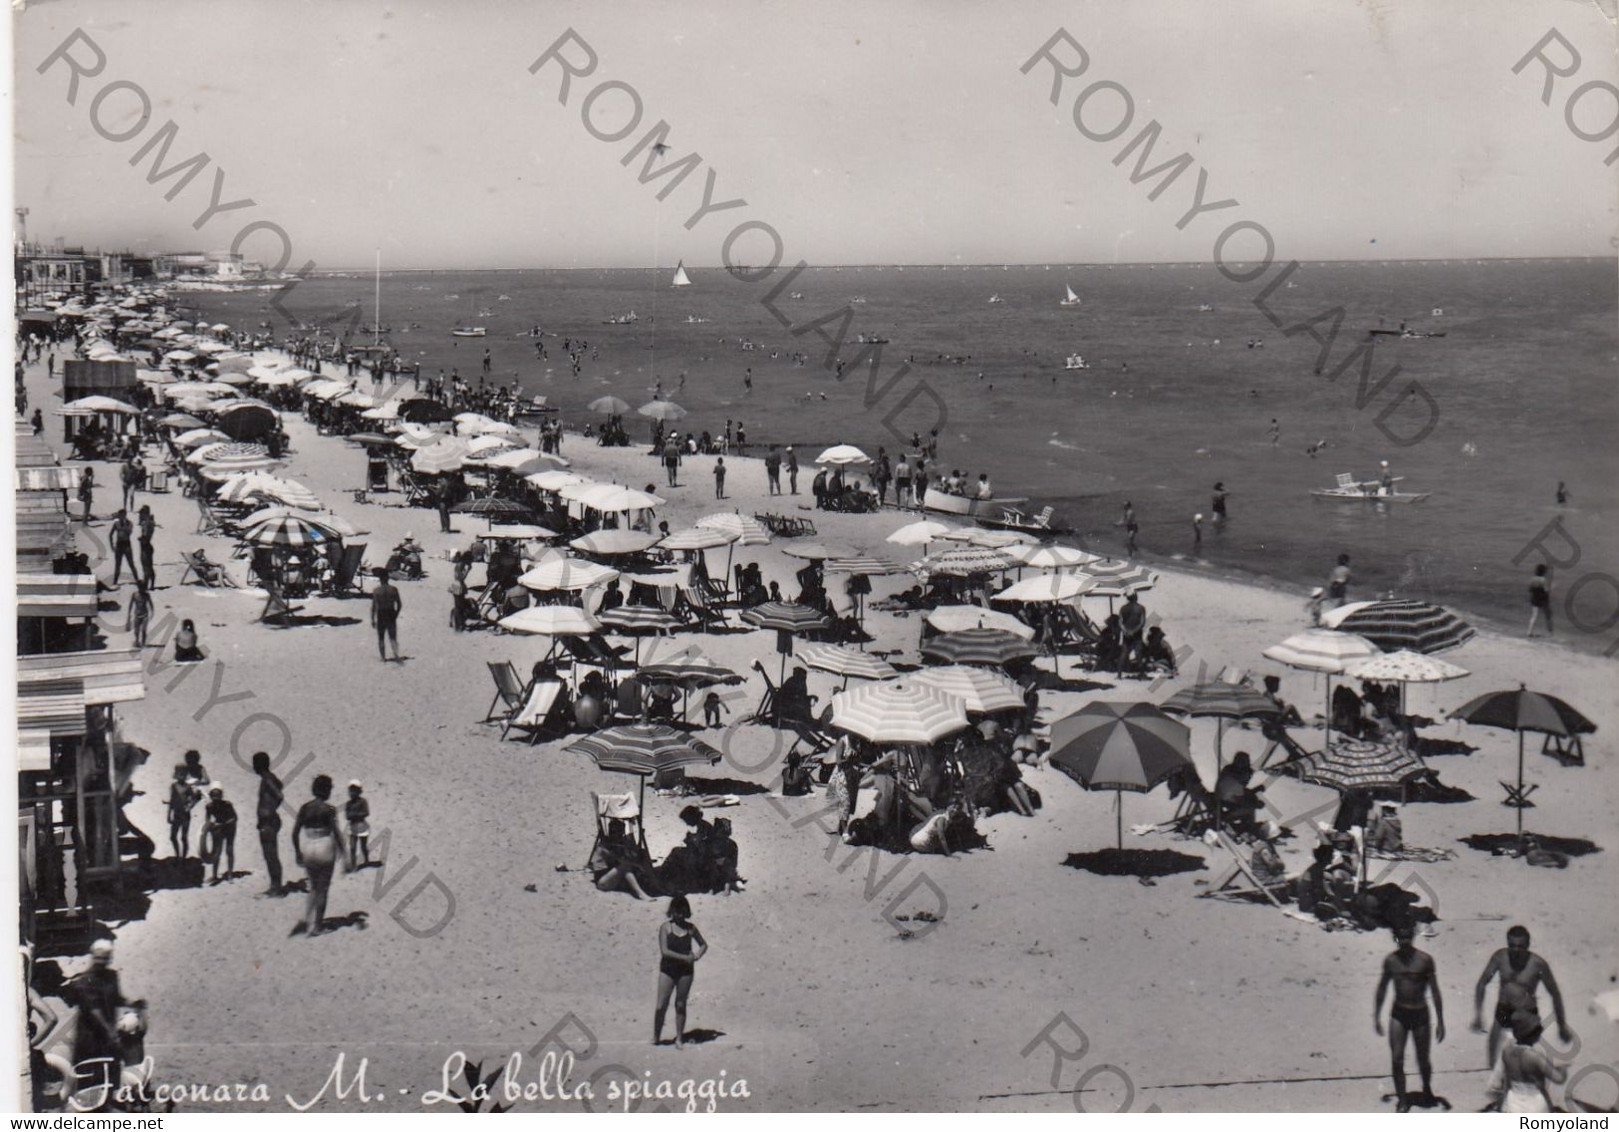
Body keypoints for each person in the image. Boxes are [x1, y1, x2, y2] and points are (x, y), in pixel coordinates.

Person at [1471, 925, 1573, 1069]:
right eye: (1512, 945)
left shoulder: (1538, 964)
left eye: (1521, 946)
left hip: (1527, 1013)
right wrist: (1478, 1014)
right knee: (1493, 1051)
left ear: (1528, 945)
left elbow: (1555, 993)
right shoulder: (1500, 957)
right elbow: (1482, 983)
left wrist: (1561, 1026)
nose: (1516, 950)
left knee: (1522, 1060)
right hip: (1504, 1009)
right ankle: (1493, 1076)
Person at [1374, 922, 1446, 1112]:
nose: (1404, 941)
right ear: (1395, 937)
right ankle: (1403, 1099)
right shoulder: (1390, 961)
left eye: (1407, 937)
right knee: (1397, 1058)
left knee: (1423, 1058)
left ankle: (1427, 1087)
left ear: (1413, 936)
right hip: (1399, 1013)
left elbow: (1435, 990)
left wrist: (1440, 1021)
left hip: (1420, 1013)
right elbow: (1382, 988)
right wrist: (1376, 1015)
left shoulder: (1425, 960)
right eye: (1400, 937)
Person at [291, 774, 350, 937]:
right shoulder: (329, 809)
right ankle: (317, 926)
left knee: (313, 888)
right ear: (326, 790)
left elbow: (295, 833)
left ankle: (307, 922)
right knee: (323, 889)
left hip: (309, 847)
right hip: (325, 847)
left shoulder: (305, 808)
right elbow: (337, 833)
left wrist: (297, 852)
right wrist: (345, 855)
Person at [70, 940, 125, 1101]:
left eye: (105, 958)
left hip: (107, 1037)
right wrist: (111, 1032)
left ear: (110, 958)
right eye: (98, 958)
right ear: (92, 956)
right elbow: (94, 1010)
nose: (101, 962)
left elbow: (116, 999)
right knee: (89, 1080)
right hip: (90, 1038)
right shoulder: (84, 980)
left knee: (109, 1078)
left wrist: (133, 1004)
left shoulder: (112, 976)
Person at [653, 896, 707, 1048]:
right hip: (668, 969)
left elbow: (703, 945)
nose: (680, 915)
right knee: (661, 1005)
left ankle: (679, 1038)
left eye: (683, 912)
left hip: (685, 971)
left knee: (681, 1004)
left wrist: (697, 956)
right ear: (672, 911)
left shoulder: (691, 928)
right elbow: (665, 951)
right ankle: (656, 1036)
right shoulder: (665, 927)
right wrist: (686, 957)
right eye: (677, 912)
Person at [1484, 1014, 1567, 1113]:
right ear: (1535, 1036)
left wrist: (1501, 1106)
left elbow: (1507, 1083)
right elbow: (1559, 1078)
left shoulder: (1507, 1052)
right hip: (1535, 1103)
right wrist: (1563, 1068)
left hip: (1513, 1101)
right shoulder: (1536, 1057)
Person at [591, 818, 653, 899]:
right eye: (618, 833)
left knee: (631, 864)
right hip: (602, 882)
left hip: (613, 878)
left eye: (621, 833)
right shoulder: (604, 846)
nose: (620, 835)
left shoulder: (617, 843)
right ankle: (640, 894)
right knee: (625, 866)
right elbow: (620, 862)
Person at [252, 751, 285, 894]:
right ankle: (275, 885)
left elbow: (279, 795)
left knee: (270, 854)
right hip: (269, 820)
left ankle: (276, 887)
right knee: (270, 854)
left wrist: (269, 810)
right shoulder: (270, 777)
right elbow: (280, 785)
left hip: (268, 820)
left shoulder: (266, 779)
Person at [202, 785, 237, 884]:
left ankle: (230, 874)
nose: (216, 798)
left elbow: (234, 818)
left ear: (221, 796)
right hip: (218, 829)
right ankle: (214, 875)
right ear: (210, 796)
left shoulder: (227, 805)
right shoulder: (209, 806)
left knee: (229, 850)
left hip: (229, 828)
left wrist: (223, 824)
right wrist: (211, 825)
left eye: (218, 796)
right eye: (214, 796)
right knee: (216, 852)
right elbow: (207, 818)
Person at [166, 763, 198, 859]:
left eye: (183, 774)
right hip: (176, 813)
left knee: (183, 837)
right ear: (176, 774)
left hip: (185, 814)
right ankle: (177, 855)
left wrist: (189, 806)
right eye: (179, 773)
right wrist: (168, 815)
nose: (181, 776)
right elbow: (171, 801)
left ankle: (183, 857)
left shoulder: (188, 787)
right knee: (172, 837)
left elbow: (194, 799)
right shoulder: (173, 786)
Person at [370, 568, 403, 662]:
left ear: (380, 579)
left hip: (381, 614)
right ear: (388, 578)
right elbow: (399, 604)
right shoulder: (393, 589)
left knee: (381, 637)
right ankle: (396, 655)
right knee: (393, 636)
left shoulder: (376, 590)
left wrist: (372, 619)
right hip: (391, 612)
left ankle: (383, 657)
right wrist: (396, 614)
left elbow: (374, 607)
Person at [708, 817, 744, 894]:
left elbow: (734, 862)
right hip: (715, 867)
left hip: (725, 867)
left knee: (726, 866)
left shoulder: (731, 844)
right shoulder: (711, 842)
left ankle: (726, 886)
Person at [345, 781, 371, 870]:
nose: (352, 792)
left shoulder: (363, 801)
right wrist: (357, 815)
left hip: (362, 826)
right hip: (352, 827)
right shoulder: (348, 804)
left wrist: (354, 815)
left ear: (359, 791)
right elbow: (347, 816)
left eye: (354, 790)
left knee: (363, 846)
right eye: (351, 790)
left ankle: (367, 860)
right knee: (352, 847)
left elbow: (366, 813)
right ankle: (353, 865)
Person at [109, 511, 136, 587]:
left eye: (122, 516)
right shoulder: (117, 524)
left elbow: (129, 532)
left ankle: (136, 579)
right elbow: (110, 535)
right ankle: (115, 581)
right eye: (120, 516)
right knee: (118, 564)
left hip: (126, 544)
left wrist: (123, 526)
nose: (120, 517)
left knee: (131, 563)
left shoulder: (129, 523)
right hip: (119, 545)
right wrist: (112, 546)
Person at [124, 581, 153, 649]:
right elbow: (131, 604)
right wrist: (129, 614)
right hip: (137, 614)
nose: (143, 589)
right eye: (141, 587)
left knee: (143, 629)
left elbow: (150, 604)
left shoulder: (147, 595)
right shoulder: (134, 594)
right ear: (138, 587)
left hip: (145, 614)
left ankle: (143, 643)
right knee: (136, 631)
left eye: (143, 587)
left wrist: (152, 612)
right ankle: (137, 641)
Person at [1527, 564, 1553, 637]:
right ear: (1543, 572)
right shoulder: (1543, 580)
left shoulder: (1533, 579)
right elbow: (1546, 591)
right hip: (1542, 600)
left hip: (1534, 599)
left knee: (1534, 616)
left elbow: (1530, 589)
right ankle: (1549, 632)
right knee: (1548, 615)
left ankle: (1529, 632)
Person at [136, 505, 158, 588]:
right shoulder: (150, 521)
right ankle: (151, 584)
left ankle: (146, 584)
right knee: (149, 567)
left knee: (145, 567)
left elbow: (145, 536)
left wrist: (140, 539)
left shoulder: (146, 523)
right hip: (148, 546)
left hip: (145, 546)